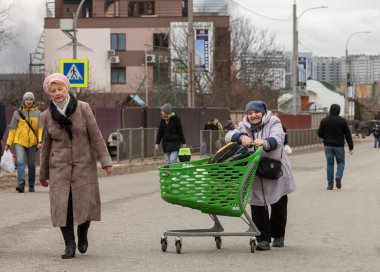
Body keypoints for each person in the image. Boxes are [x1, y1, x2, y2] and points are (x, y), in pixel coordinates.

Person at [39, 73, 113, 259]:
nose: (57, 93)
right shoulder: (46, 116)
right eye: (53, 90)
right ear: (49, 94)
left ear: (67, 88)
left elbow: (96, 136)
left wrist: (106, 161)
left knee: (84, 205)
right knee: (63, 207)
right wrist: (43, 173)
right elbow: (46, 145)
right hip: (59, 168)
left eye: (60, 89)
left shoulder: (83, 108)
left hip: (83, 166)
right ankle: (69, 244)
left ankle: (83, 232)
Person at [225, 100, 296, 251]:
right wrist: (240, 137)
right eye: (250, 113)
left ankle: (278, 235)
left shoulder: (274, 121)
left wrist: (265, 142)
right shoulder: (243, 125)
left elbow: (278, 137)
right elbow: (228, 135)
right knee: (257, 204)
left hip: (275, 169)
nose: (253, 115)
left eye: (256, 112)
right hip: (255, 170)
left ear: (263, 112)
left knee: (279, 203)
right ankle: (262, 239)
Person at [5, 92, 42, 193]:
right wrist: (8, 143)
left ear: (33, 101)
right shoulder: (17, 113)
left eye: (30, 99)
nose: (29, 101)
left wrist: (39, 141)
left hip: (33, 143)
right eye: (27, 99)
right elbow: (12, 130)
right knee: (20, 161)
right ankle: (21, 184)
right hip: (19, 141)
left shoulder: (38, 113)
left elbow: (40, 129)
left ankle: (31, 184)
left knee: (31, 164)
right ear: (24, 101)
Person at [317, 104, 353, 190]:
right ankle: (338, 176)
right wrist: (351, 147)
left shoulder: (324, 120)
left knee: (330, 164)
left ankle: (330, 185)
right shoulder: (342, 121)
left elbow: (319, 133)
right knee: (341, 163)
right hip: (339, 146)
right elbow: (348, 135)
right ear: (339, 111)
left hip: (327, 145)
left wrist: (326, 137)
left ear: (330, 110)